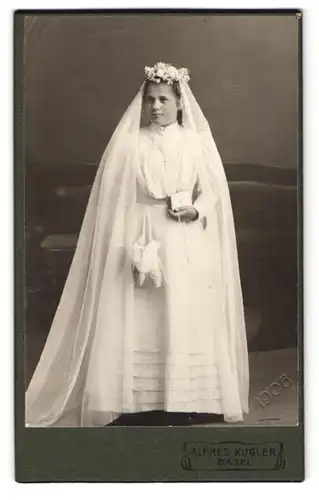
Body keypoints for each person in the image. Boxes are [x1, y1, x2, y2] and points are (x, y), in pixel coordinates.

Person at [26, 62, 249, 427]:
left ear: (180, 102)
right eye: (151, 100)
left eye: (163, 99)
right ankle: (138, 399)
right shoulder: (132, 142)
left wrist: (196, 210)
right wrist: (129, 238)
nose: (156, 107)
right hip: (143, 230)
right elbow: (113, 197)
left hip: (185, 236)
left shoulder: (195, 142)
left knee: (182, 310)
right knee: (143, 308)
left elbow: (213, 192)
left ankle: (187, 397)